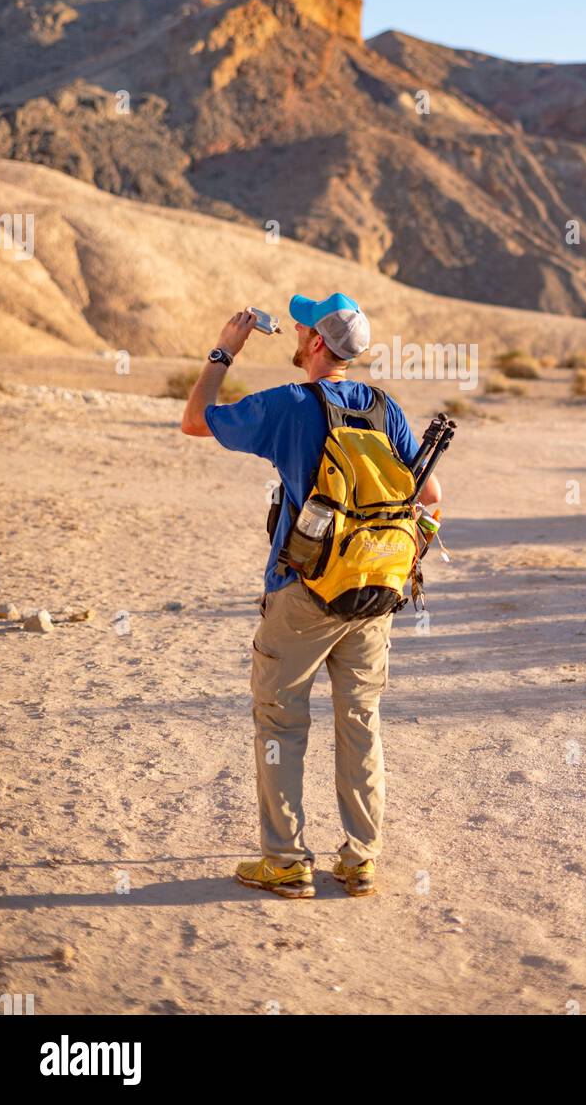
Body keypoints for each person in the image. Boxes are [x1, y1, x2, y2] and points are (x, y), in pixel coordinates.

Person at [181, 292, 441, 899]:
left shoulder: (291, 405)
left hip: (302, 593)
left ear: (317, 344)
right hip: (376, 596)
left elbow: (195, 420)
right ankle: (360, 860)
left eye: (303, 328)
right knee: (360, 721)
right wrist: (389, 565)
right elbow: (430, 505)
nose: (296, 334)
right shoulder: (385, 408)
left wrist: (224, 350)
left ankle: (285, 861)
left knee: (280, 721)